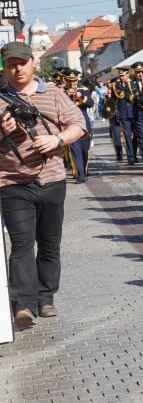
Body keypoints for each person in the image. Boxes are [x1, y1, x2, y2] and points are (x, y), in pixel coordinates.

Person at [0, 41, 87, 327]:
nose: (17, 68)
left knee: (50, 244)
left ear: (32, 63)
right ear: (5, 66)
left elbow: (79, 124)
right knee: (22, 244)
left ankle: (46, 297)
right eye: (11, 63)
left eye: (22, 62)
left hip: (51, 180)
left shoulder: (53, 92)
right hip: (12, 183)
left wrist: (58, 139)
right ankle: (22, 305)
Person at [60, 69, 93, 183]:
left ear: (77, 80)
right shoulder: (61, 92)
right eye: (70, 81)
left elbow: (90, 104)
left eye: (74, 81)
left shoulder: (84, 90)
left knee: (84, 150)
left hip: (84, 125)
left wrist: (81, 97)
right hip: (70, 125)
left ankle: (83, 169)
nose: (72, 83)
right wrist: (66, 96)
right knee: (75, 149)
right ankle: (80, 175)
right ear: (66, 80)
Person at [109, 66, 136, 164]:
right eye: (120, 76)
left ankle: (137, 155)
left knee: (137, 135)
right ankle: (131, 157)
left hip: (134, 112)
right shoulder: (116, 85)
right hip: (123, 113)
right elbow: (114, 99)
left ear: (128, 74)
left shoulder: (133, 83)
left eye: (123, 75)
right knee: (127, 136)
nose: (121, 77)